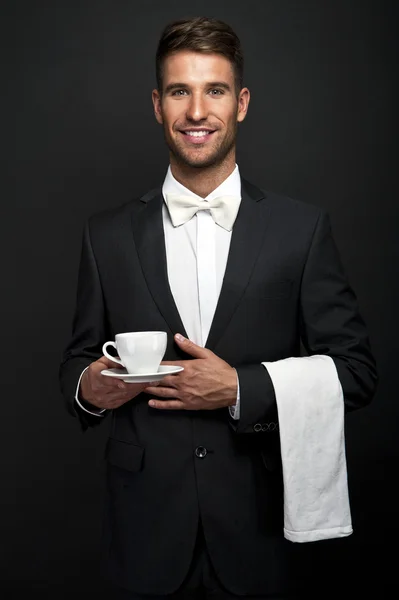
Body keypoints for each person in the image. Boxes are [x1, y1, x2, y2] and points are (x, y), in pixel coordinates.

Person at [59, 16, 378, 600]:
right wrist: (90, 386)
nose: (197, 111)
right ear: (158, 105)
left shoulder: (300, 231)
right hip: (143, 531)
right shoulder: (104, 235)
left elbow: (356, 373)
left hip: (262, 527)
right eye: (180, 91)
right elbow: (77, 360)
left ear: (243, 103)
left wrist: (238, 388)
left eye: (216, 90)